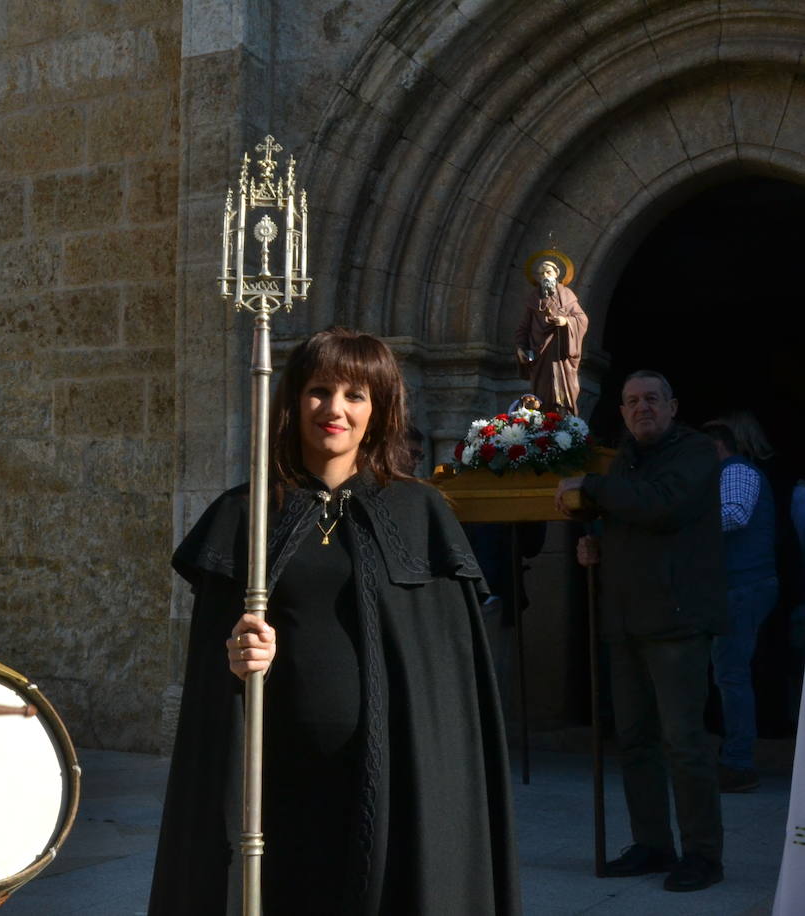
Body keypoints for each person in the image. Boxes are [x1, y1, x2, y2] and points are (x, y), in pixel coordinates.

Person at [149, 327, 519, 915]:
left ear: (379, 409)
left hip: (396, 774)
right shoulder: (245, 514)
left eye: (355, 395)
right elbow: (212, 674)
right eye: (319, 391)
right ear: (293, 401)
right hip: (276, 775)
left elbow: (446, 679)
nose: (335, 410)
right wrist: (237, 655)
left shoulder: (421, 513)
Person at [555, 370, 726, 893]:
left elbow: (662, 504)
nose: (640, 408)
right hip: (625, 619)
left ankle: (702, 855)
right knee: (634, 740)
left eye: (651, 399)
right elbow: (631, 520)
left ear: (673, 406)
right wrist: (598, 548)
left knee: (684, 742)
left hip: (676, 620)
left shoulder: (696, 452)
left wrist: (593, 488)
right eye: (630, 402)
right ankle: (653, 843)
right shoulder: (625, 457)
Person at [703, 412, 777, 793]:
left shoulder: (734, 470)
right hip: (742, 585)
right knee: (729, 674)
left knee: (731, 675)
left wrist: (686, 524)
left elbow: (734, 514)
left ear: (717, 446)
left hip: (742, 585)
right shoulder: (736, 470)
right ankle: (733, 757)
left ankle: (737, 763)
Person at [514, 257, 588, 415]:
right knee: (542, 394)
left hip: (560, 354)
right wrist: (520, 348)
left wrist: (566, 321)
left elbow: (581, 319)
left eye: (548, 272)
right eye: (541, 274)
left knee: (563, 393)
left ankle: (564, 419)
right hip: (540, 354)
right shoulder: (534, 300)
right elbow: (523, 328)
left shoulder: (567, 296)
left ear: (556, 274)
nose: (545, 276)